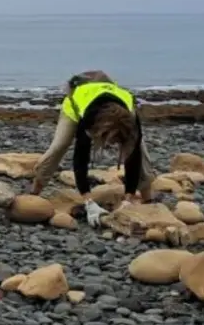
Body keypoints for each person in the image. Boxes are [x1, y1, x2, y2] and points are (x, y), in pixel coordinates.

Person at [30, 71, 155, 226]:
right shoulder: (89, 119)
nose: (112, 145)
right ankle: (35, 191)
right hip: (75, 108)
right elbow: (80, 159)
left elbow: (133, 159)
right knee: (59, 146)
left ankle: (148, 201)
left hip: (114, 110)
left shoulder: (131, 119)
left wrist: (128, 199)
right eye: (111, 140)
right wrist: (89, 202)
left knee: (141, 153)